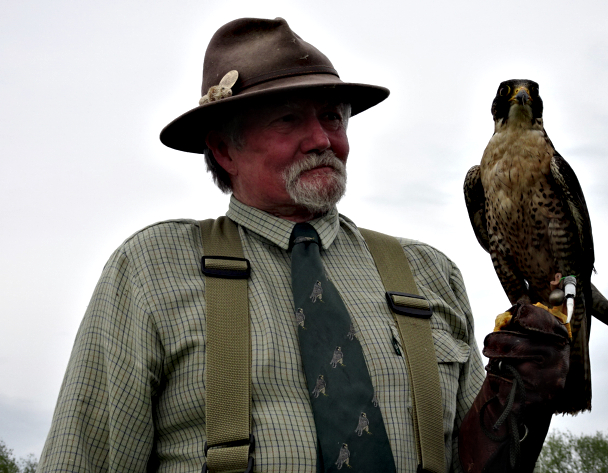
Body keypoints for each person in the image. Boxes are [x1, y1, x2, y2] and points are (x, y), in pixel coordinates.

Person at [38, 18, 568, 473]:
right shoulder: (151, 269)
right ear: (223, 148)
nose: (322, 139)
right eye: (290, 119)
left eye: (332, 117)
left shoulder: (429, 273)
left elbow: (472, 461)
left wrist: (523, 400)